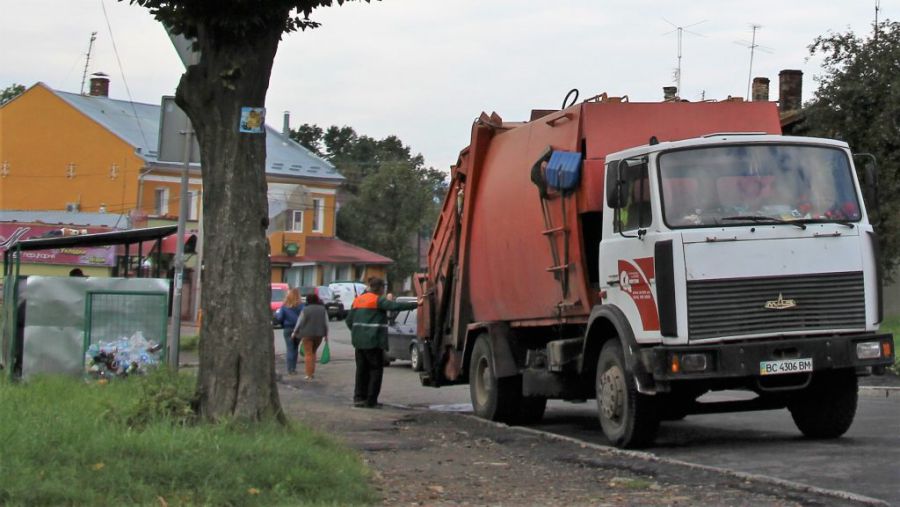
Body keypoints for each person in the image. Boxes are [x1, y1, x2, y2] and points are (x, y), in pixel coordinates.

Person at [346, 277, 420, 408]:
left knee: (361, 371)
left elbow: (348, 321)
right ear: (380, 288)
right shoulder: (377, 300)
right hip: (373, 342)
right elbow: (396, 306)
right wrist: (416, 303)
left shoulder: (357, 300)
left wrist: (358, 332)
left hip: (359, 342)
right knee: (375, 371)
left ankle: (358, 398)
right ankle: (371, 400)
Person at [291, 292, 329, 381]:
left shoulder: (305, 309)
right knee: (313, 352)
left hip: (307, 334)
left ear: (308, 300)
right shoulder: (323, 309)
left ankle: (309, 375)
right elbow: (326, 323)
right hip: (319, 334)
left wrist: (294, 332)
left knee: (308, 354)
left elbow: (299, 322)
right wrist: (326, 335)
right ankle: (312, 372)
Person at [274, 288, 303, 375]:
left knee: (290, 348)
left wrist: (276, 315)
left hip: (288, 328)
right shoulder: (301, 306)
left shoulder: (284, 306)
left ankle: (290, 369)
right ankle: (293, 368)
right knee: (295, 348)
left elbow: (279, 318)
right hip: (298, 329)